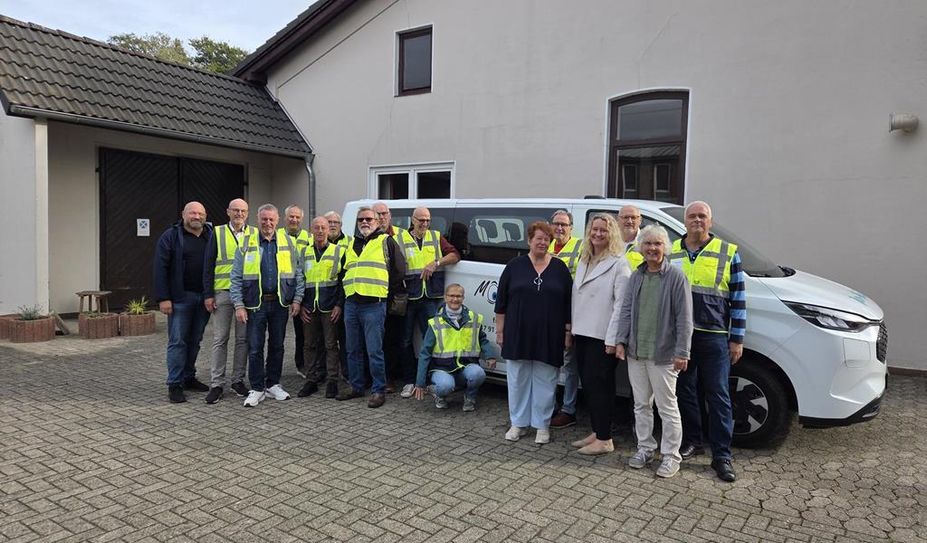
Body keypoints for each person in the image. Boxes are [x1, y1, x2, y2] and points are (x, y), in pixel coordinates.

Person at [669, 201, 746, 482]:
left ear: (710, 222)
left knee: (719, 395)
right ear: (686, 221)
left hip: (714, 336)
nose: (697, 220)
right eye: (692, 216)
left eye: (702, 216)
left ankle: (722, 456)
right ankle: (692, 440)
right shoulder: (672, 250)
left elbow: (738, 299)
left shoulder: (728, 252)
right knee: (685, 391)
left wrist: (736, 338)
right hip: (681, 336)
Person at [614, 225, 693, 478]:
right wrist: (620, 341)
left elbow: (684, 319)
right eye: (647, 244)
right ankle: (645, 448)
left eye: (657, 244)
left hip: (664, 355)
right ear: (641, 248)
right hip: (637, 353)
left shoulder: (676, 277)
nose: (652, 249)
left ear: (665, 248)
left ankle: (671, 456)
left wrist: (683, 352)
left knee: (667, 407)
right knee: (641, 405)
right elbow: (626, 311)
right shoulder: (637, 276)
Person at [495, 221, 573, 444]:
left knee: (546, 380)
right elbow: (501, 302)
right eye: (538, 238)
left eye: (546, 239)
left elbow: (569, 303)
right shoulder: (514, 266)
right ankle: (518, 423)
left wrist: (568, 332)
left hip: (550, 334)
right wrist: (500, 331)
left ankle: (541, 425)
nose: (542, 242)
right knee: (518, 378)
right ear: (529, 240)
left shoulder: (560, 268)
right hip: (517, 332)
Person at [568, 214, 630, 455]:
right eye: (594, 229)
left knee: (601, 386)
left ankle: (605, 439)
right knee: (590, 386)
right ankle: (597, 430)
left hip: (603, 337)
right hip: (583, 332)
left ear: (611, 233)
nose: (598, 234)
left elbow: (621, 306)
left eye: (604, 230)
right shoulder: (585, 259)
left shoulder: (619, 263)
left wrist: (613, 340)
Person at [230, 204, 304, 407]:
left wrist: (296, 300)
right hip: (255, 304)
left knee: (277, 346)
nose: (268, 223)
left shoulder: (288, 242)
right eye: (264, 219)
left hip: (280, 304)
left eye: (271, 219)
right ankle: (256, 388)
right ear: (258, 219)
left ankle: (273, 384)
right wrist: (238, 305)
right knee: (255, 348)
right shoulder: (246, 242)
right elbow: (235, 277)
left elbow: (297, 274)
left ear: (278, 220)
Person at [338, 206, 407, 408]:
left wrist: (385, 294)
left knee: (374, 350)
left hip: (374, 305)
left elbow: (398, 272)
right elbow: (344, 272)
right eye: (361, 220)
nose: (365, 222)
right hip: (352, 303)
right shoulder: (351, 244)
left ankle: (378, 390)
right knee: (352, 349)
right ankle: (356, 386)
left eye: (369, 219)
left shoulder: (386, 242)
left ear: (377, 221)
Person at [397, 207, 460, 399]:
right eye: (421, 220)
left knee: (432, 340)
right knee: (405, 340)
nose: (424, 223)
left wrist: (436, 263)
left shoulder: (435, 236)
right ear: (412, 220)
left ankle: (431, 380)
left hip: (430, 297)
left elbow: (455, 255)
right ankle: (409, 381)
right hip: (408, 297)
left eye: (427, 220)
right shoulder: (401, 239)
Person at [153, 201, 213, 403]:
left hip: (204, 297)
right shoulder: (170, 236)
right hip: (180, 298)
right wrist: (164, 298)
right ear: (184, 215)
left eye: (200, 213)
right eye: (193, 213)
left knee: (195, 341)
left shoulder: (210, 236)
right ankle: (175, 384)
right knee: (178, 342)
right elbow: (160, 268)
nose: (197, 217)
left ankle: (189, 377)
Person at [412, 284, 496, 411]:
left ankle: (469, 398)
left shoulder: (473, 318)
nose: (455, 299)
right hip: (441, 368)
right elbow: (425, 353)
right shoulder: (436, 322)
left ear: (463, 298)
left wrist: (490, 355)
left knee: (478, 374)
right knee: (445, 385)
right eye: (451, 296)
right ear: (445, 297)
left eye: (458, 296)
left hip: (465, 366)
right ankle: (437, 393)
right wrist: (420, 383)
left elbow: (482, 339)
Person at [203, 198, 254, 404]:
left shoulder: (254, 233)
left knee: (243, 340)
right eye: (235, 210)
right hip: (222, 292)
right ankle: (217, 384)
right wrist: (208, 294)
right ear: (228, 212)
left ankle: (238, 380)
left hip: (246, 294)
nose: (239, 214)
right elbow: (207, 265)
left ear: (247, 213)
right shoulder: (217, 232)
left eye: (242, 211)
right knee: (220, 339)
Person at [298, 216, 345, 399]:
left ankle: (332, 380)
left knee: (331, 345)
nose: (319, 231)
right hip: (309, 306)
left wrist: (339, 305)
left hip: (329, 306)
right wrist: (300, 304)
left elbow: (342, 282)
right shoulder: (303, 252)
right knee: (309, 345)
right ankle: (311, 380)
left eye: (323, 227)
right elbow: (299, 279)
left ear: (328, 230)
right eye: (316, 227)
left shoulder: (338, 251)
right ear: (311, 230)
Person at [548, 210, 582, 429]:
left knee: (569, 364)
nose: (560, 228)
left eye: (564, 224)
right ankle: (548, 406)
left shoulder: (581, 247)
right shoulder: (545, 245)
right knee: (549, 362)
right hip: (548, 314)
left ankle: (568, 410)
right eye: (556, 224)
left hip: (571, 313)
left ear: (571, 227)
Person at [372, 201, 405, 393]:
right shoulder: (366, 238)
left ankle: (390, 377)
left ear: (389, 215)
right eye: (377, 215)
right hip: (374, 297)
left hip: (395, 296)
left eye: (384, 214)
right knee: (378, 340)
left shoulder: (402, 234)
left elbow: (400, 268)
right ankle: (382, 377)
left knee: (393, 338)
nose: (381, 218)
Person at [284, 205, 311, 376]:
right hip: (281, 289)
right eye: (291, 217)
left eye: (297, 217)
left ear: (302, 219)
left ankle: (302, 364)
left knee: (302, 332)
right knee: (277, 334)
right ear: (285, 218)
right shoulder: (278, 235)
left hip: (302, 289)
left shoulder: (309, 237)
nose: (294, 220)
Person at [618, 205, 644, 270]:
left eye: (633, 217)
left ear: (640, 220)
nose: (629, 221)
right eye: (625, 217)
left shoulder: (646, 242)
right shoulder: (609, 241)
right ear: (618, 219)